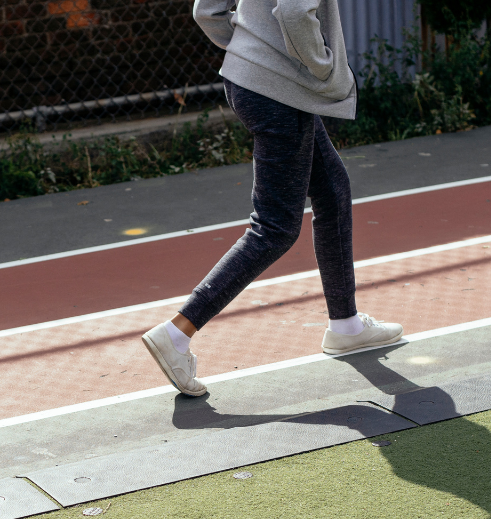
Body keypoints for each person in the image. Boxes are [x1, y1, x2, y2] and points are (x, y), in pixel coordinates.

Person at [141, 0, 403, 397]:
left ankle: (346, 326)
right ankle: (177, 332)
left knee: (332, 191)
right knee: (275, 228)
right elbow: (296, 12)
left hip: (251, 82)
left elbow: (207, 10)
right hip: (280, 91)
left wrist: (254, 52)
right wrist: (323, 68)